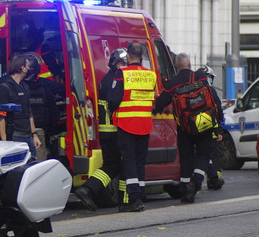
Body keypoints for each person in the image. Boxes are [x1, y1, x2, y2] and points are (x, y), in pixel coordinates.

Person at [153, 54, 224, 204]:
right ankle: (196, 183)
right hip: (204, 124)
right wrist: (219, 126)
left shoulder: (173, 83)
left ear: (176, 66)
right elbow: (214, 100)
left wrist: (154, 110)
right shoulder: (200, 77)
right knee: (204, 156)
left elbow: (160, 103)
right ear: (190, 64)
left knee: (186, 158)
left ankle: (186, 191)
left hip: (185, 128)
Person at [74, 47, 128, 211]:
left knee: (111, 165)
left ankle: (87, 189)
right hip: (115, 130)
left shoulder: (106, 79)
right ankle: (125, 200)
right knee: (125, 165)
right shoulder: (117, 80)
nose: (126, 66)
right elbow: (114, 102)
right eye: (124, 63)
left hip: (106, 131)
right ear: (118, 63)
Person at [108, 42, 156, 212]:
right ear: (141, 56)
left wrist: (110, 109)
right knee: (140, 161)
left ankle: (134, 198)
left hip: (126, 125)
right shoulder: (151, 75)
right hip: (145, 124)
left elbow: (113, 100)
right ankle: (141, 195)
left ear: (128, 56)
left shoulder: (122, 74)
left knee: (129, 161)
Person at [0, 53, 41, 160]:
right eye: (28, 66)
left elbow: (29, 112)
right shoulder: (4, 87)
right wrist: (5, 141)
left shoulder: (25, 86)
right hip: (13, 137)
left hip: (28, 136)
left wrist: (34, 135)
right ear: (22, 68)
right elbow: (0, 115)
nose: (29, 69)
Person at [22, 53, 61, 160]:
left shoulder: (15, 86)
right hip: (39, 131)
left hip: (19, 130)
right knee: (39, 164)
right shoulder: (45, 88)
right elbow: (54, 113)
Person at [197, 65, 225, 191]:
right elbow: (218, 110)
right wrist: (218, 129)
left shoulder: (190, 89)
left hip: (194, 131)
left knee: (201, 155)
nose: (211, 80)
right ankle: (214, 179)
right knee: (213, 155)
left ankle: (212, 178)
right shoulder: (209, 90)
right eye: (210, 77)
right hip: (209, 130)